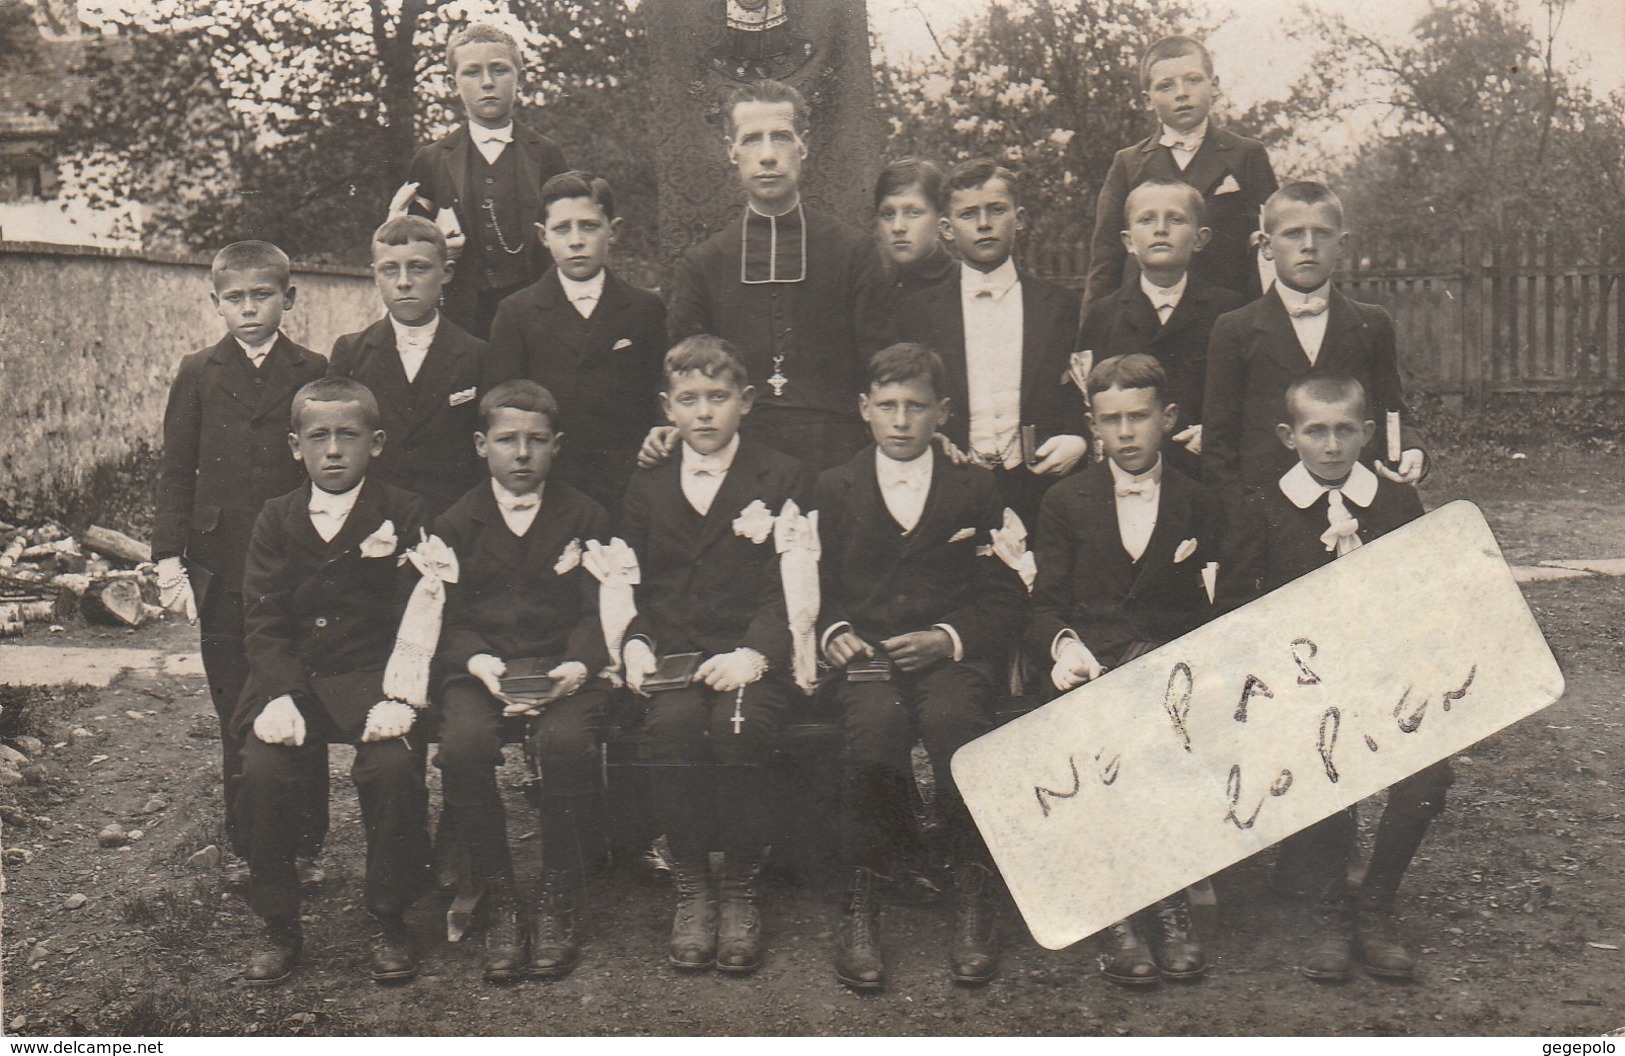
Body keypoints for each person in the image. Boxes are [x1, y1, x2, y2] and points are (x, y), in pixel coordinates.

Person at [1216, 374, 1451, 983]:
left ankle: (1373, 908)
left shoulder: (1396, 502)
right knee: (1319, 757)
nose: (1331, 445)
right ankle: (1327, 912)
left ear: (1368, 433)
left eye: (1345, 429)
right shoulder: (1263, 504)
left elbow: (1424, 592)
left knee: (1430, 772)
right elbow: (1236, 608)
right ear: (1287, 436)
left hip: (1381, 675)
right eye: (1315, 431)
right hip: (1298, 684)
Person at [815, 344, 1027, 991]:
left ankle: (972, 886)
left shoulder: (975, 487)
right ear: (864, 410)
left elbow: (1005, 589)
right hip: (871, 657)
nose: (901, 420)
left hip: (948, 655)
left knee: (955, 722)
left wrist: (948, 637)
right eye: (887, 406)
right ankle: (862, 894)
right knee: (873, 729)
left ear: (943, 412)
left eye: (915, 406)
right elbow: (812, 584)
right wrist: (836, 633)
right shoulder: (834, 486)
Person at [618, 336, 812, 974]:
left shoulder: (779, 474)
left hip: (743, 652)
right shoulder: (647, 484)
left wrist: (756, 652)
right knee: (670, 728)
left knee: (740, 728)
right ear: (666, 408)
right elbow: (629, 577)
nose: (704, 413)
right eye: (689, 400)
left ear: (746, 402)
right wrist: (637, 638)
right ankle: (694, 885)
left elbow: (794, 580)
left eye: (718, 398)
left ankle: (740, 886)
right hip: (674, 650)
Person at [1026, 353, 1220, 986]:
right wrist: (1063, 646)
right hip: (1091, 663)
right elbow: (1046, 601)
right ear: (1093, 425)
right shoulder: (1064, 500)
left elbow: (1216, 602)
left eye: (1139, 417)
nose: (1127, 433)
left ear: (1167, 418)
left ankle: (1161, 901)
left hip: (1169, 665)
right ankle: (1124, 910)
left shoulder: (1198, 498)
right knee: (1102, 726)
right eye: (1111, 421)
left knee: (1149, 723)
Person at [236, 377, 431, 986]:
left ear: (375, 443)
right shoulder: (276, 517)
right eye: (318, 437)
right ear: (296, 447)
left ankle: (389, 914)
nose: (334, 450)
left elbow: (419, 611)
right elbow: (263, 616)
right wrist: (281, 692)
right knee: (262, 773)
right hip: (294, 682)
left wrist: (397, 693)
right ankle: (278, 921)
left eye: (348, 435)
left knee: (394, 770)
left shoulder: (403, 512)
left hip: (374, 684)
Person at [152, 240, 329, 890]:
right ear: (215, 302)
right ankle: (246, 845)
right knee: (234, 699)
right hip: (222, 563)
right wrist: (168, 553)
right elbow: (176, 467)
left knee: (299, 690)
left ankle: (309, 843)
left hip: (295, 563)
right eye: (235, 298)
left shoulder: (313, 368)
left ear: (288, 297)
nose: (249, 309)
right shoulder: (198, 371)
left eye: (262, 295)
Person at [432, 380, 613, 981]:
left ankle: (560, 890)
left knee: (567, 745)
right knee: (462, 746)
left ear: (557, 446)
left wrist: (578, 665)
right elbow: (444, 617)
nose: (522, 454)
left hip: (561, 667)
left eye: (537, 441)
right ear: (482, 445)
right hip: (483, 669)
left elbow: (599, 608)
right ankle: (502, 895)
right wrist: (479, 662)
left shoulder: (585, 514)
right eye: (507, 440)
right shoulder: (456, 522)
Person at [664, 78, 893, 471]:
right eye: (752, 139)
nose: (768, 155)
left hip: (839, 452)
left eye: (782, 138)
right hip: (737, 455)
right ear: (731, 151)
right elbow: (682, 373)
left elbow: (881, 363)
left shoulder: (853, 252)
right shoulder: (703, 263)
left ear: (804, 145)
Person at [892, 159, 1087, 529]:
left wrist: (1077, 437)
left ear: (1020, 218)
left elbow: (1082, 388)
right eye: (968, 214)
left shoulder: (1061, 306)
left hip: (1041, 484)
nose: (984, 223)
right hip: (951, 483)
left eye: (996, 210)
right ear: (947, 229)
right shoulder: (914, 312)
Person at [1201, 181, 1426, 504]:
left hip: (1356, 501)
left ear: (1342, 244)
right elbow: (1218, 444)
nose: (1309, 245)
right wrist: (1239, 519)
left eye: (1322, 233)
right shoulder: (1234, 328)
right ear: (1265, 245)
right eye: (1293, 234)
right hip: (1267, 511)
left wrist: (1412, 447)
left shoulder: (1372, 323)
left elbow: (1393, 412)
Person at [483, 171, 667, 515]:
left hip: (629, 484)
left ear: (613, 231)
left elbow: (660, 392)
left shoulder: (644, 309)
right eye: (562, 229)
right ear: (543, 236)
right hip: (552, 487)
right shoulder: (517, 313)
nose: (576, 240)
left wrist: (658, 433)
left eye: (589, 226)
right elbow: (502, 406)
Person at [400, 22, 569, 339]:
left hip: (536, 313)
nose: (487, 82)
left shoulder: (546, 154)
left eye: (500, 70)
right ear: (453, 84)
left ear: (520, 79)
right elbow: (412, 244)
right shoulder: (431, 159)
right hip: (461, 317)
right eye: (472, 72)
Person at [1084, 34, 1277, 306]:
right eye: (1165, 86)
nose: (1181, 93)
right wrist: (1093, 335)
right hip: (1145, 317)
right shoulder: (1128, 164)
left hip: (1226, 315)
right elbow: (1106, 257)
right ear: (1148, 98)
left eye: (1193, 80)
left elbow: (1270, 247)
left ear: (1215, 86)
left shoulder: (1246, 155)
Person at [1075, 179, 1246, 481]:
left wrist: (1217, 432)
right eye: (1147, 219)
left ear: (1200, 238)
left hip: (1204, 471)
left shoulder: (1230, 311)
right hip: (1130, 473)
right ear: (1128, 241)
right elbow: (1089, 397)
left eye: (1176, 219)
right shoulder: (1103, 314)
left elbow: (1245, 395)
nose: (1161, 229)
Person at [329, 215, 485, 518]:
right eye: (390, 269)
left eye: (418, 267)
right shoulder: (351, 352)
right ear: (375, 275)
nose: (403, 282)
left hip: (452, 518)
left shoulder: (477, 354)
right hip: (372, 517)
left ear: (446, 272)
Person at [873, 157, 955, 294]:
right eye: (888, 214)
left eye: (913, 213)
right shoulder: (873, 287)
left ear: (940, 218)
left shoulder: (963, 283)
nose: (897, 227)